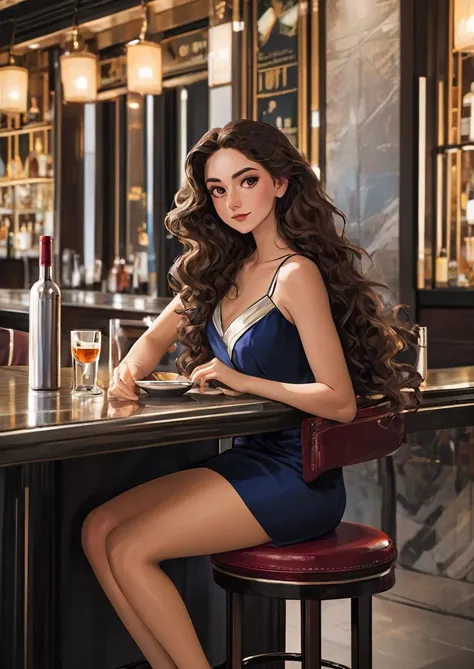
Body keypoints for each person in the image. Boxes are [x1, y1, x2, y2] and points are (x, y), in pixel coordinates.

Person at [82, 119, 420, 669]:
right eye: (218, 189)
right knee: (98, 529)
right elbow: (149, 342)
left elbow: (339, 401)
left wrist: (242, 380)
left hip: (298, 479)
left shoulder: (295, 274)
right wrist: (127, 372)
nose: (232, 201)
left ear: (281, 183)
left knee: (128, 548)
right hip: (246, 462)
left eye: (247, 181)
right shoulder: (219, 271)